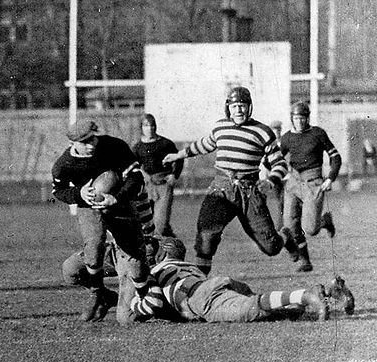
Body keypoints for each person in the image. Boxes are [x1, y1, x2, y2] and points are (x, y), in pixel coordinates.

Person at [162, 86, 298, 275]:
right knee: (206, 235)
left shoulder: (263, 132)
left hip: (249, 192)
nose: (238, 111)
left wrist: (270, 181)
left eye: (242, 106)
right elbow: (204, 145)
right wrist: (179, 155)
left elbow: (280, 164)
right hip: (221, 188)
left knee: (271, 247)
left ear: (249, 107)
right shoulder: (220, 127)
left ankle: (286, 236)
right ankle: (201, 283)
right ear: (228, 108)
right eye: (234, 106)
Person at [52, 119, 150, 324]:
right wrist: (79, 194)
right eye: (85, 141)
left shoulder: (114, 146)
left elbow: (136, 178)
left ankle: (146, 295)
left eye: (93, 138)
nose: (92, 144)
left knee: (134, 255)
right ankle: (98, 294)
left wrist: (117, 197)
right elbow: (58, 191)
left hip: (119, 206)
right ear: (73, 144)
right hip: (89, 206)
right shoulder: (64, 165)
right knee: (88, 251)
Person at [128, 237, 355, 323]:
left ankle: (306, 296)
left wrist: (135, 305)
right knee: (265, 308)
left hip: (200, 296)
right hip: (217, 283)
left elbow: (155, 303)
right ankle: (326, 290)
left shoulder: (156, 272)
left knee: (248, 309)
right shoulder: (185, 265)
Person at [280, 101, 341, 272]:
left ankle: (325, 221)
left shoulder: (317, 134)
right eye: (296, 118)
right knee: (290, 226)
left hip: (313, 182)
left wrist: (330, 178)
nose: (299, 122)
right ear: (292, 119)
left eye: (302, 118)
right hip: (293, 182)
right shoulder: (286, 138)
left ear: (308, 118)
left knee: (310, 229)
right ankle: (305, 261)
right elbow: (273, 160)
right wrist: (283, 175)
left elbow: (335, 157)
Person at [132, 113, 184, 237]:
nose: (150, 129)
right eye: (146, 126)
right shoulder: (138, 147)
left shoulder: (165, 144)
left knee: (160, 222)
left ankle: (165, 244)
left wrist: (174, 174)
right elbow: (133, 165)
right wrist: (142, 174)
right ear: (141, 128)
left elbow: (179, 158)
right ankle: (170, 243)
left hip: (163, 184)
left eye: (152, 126)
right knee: (147, 222)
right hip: (147, 185)